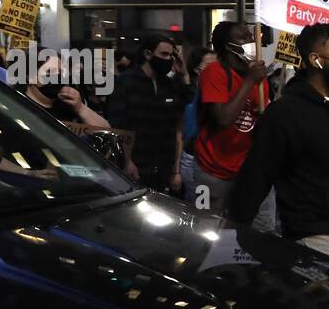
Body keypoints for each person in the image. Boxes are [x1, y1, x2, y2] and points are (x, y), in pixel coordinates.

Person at [228, 23, 329, 266]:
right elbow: (256, 176)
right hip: (310, 234)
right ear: (316, 60)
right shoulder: (285, 113)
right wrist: (233, 233)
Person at [192, 21, 275, 231]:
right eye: (244, 37)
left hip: (247, 170)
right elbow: (222, 120)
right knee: (207, 229)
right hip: (212, 172)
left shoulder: (260, 79)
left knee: (258, 231)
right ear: (227, 46)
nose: (252, 41)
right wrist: (249, 81)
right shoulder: (214, 73)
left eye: (252, 36)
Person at [107, 34, 189, 194]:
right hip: (137, 163)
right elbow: (118, 125)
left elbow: (180, 121)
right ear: (148, 54)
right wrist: (127, 161)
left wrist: (184, 75)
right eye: (164, 54)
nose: (168, 59)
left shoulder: (169, 84)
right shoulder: (126, 82)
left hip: (164, 165)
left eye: (171, 55)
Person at [180, 46, 216, 196]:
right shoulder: (187, 95)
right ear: (197, 69)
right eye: (211, 66)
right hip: (194, 158)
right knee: (200, 207)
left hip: (211, 161)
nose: (217, 70)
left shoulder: (214, 92)